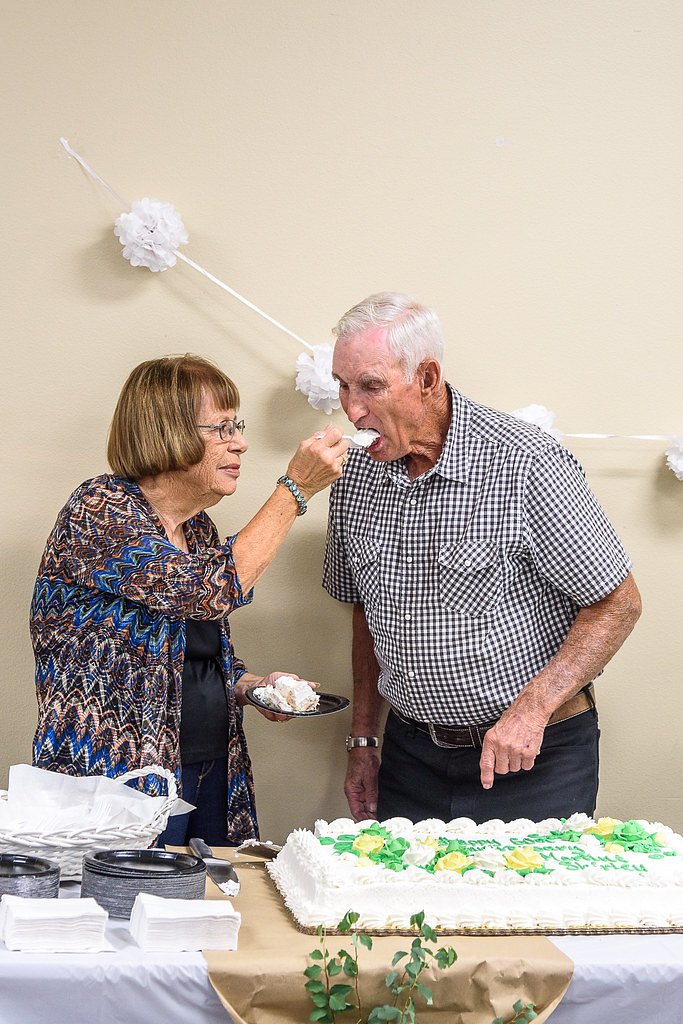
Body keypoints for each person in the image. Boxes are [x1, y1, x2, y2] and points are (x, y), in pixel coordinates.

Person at [323, 293, 642, 825]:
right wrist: (362, 737)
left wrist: (532, 710)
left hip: (532, 759)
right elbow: (364, 611)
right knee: (406, 910)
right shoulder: (354, 476)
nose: (352, 410)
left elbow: (618, 604)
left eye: (370, 387)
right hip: (411, 759)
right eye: (342, 385)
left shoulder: (526, 462)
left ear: (426, 378)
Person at [31, 354, 348, 845]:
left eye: (236, 426)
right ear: (167, 432)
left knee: (212, 909)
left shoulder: (197, 528)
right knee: (131, 914)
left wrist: (254, 685)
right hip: (119, 777)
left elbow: (194, 648)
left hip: (209, 765)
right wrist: (296, 488)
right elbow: (205, 593)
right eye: (222, 428)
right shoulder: (100, 510)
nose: (240, 442)